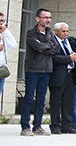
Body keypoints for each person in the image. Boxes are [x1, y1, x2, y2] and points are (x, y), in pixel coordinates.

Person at [21, 8, 57, 136]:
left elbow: (55, 48)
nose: (48, 20)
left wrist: (44, 46)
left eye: (49, 18)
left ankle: (38, 126)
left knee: (41, 99)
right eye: (45, 17)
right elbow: (36, 47)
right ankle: (25, 126)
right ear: (38, 19)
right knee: (29, 98)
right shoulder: (31, 32)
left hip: (46, 70)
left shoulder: (49, 33)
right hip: (33, 69)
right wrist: (45, 46)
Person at [48, 22, 76, 134]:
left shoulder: (69, 41)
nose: (65, 33)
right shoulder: (52, 41)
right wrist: (68, 58)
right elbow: (53, 58)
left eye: (67, 31)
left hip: (70, 73)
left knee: (68, 101)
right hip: (58, 74)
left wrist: (74, 57)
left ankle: (67, 124)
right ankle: (55, 125)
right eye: (63, 31)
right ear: (56, 31)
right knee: (56, 101)